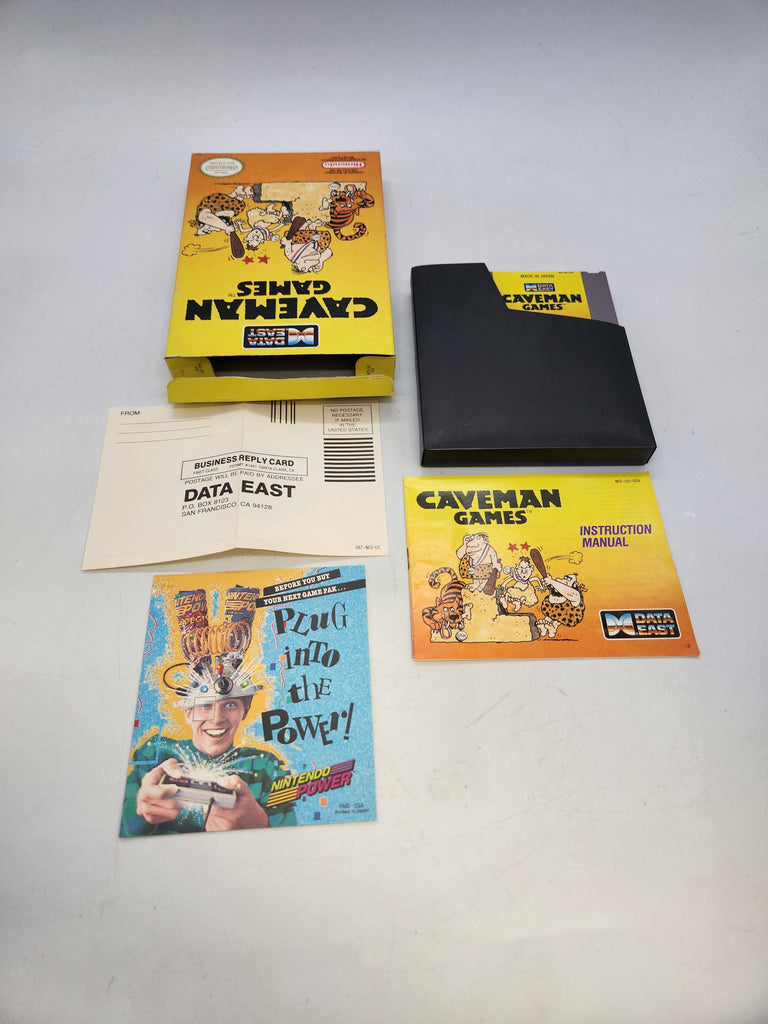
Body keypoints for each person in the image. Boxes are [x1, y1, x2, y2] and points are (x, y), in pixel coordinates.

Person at [120, 693, 296, 836]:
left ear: (244, 712)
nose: (217, 719)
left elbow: (291, 838)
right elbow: (116, 828)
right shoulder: (155, 752)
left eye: (230, 704)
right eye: (205, 705)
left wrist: (260, 825)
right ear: (188, 713)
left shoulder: (266, 765)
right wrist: (137, 811)